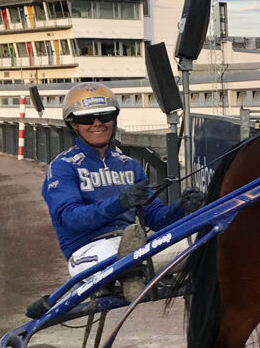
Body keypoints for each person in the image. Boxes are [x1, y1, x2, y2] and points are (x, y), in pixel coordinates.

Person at [42, 82, 204, 289]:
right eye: (86, 118)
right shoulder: (63, 167)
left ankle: (134, 272)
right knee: (123, 256)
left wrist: (181, 208)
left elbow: (156, 219)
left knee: (205, 240)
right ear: (73, 124)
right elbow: (70, 219)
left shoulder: (129, 165)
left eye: (105, 116)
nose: (98, 123)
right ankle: (133, 272)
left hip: (135, 247)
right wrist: (118, 203)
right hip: (88, 251)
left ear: (114, 119)